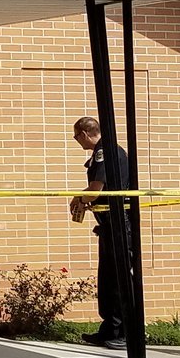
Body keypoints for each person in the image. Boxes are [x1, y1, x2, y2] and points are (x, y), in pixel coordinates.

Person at [69, 116, 132, 345]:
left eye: (76, 136)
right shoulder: (103, 152)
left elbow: (96, 189)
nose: (77, 141)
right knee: (107, 280)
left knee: (118, 280)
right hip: (109, 225)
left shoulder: (106, 151)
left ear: (84, 134)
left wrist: (79, 197)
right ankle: (109, 331)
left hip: (119, 224)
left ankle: (124, 333)